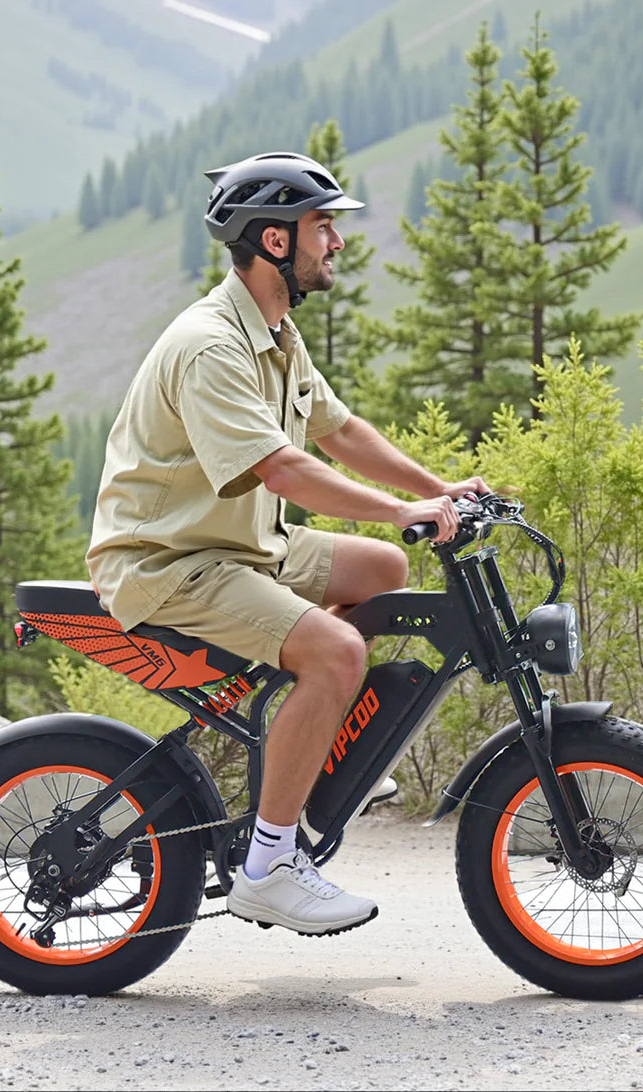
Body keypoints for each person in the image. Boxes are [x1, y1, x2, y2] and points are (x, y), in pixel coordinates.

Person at [87, 151, 487, 936]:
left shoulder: (273, 330)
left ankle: (311, 742)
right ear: (274, 242)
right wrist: (397, 508)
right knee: (337, 653)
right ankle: (267, 868)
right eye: (322, 225)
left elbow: (339, 431)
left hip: (235, 546)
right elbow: (283, 467)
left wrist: (436, 490)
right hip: (168, 562)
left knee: (384, 568)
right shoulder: (211, 345)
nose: (336, 240)